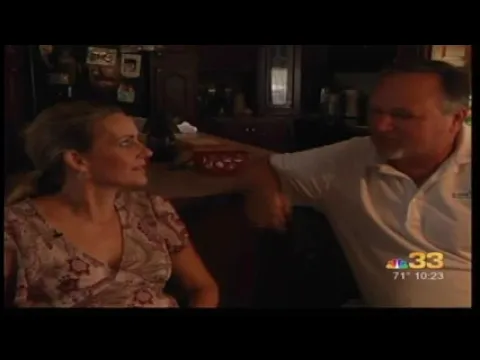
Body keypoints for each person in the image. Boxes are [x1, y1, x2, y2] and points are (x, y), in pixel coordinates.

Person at [240, 60, 471, 308]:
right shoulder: (347, 160)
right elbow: (262, 165)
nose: (381, 127)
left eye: (402, 115)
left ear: (456, 119)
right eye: (375, 111)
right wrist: (261, 189)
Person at [4, 101, 219, 308]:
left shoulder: (153, 209)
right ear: (78, 160)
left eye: (138, 139)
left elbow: (203, 287)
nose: (146, 152)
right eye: (126, 142)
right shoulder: (18, 227)